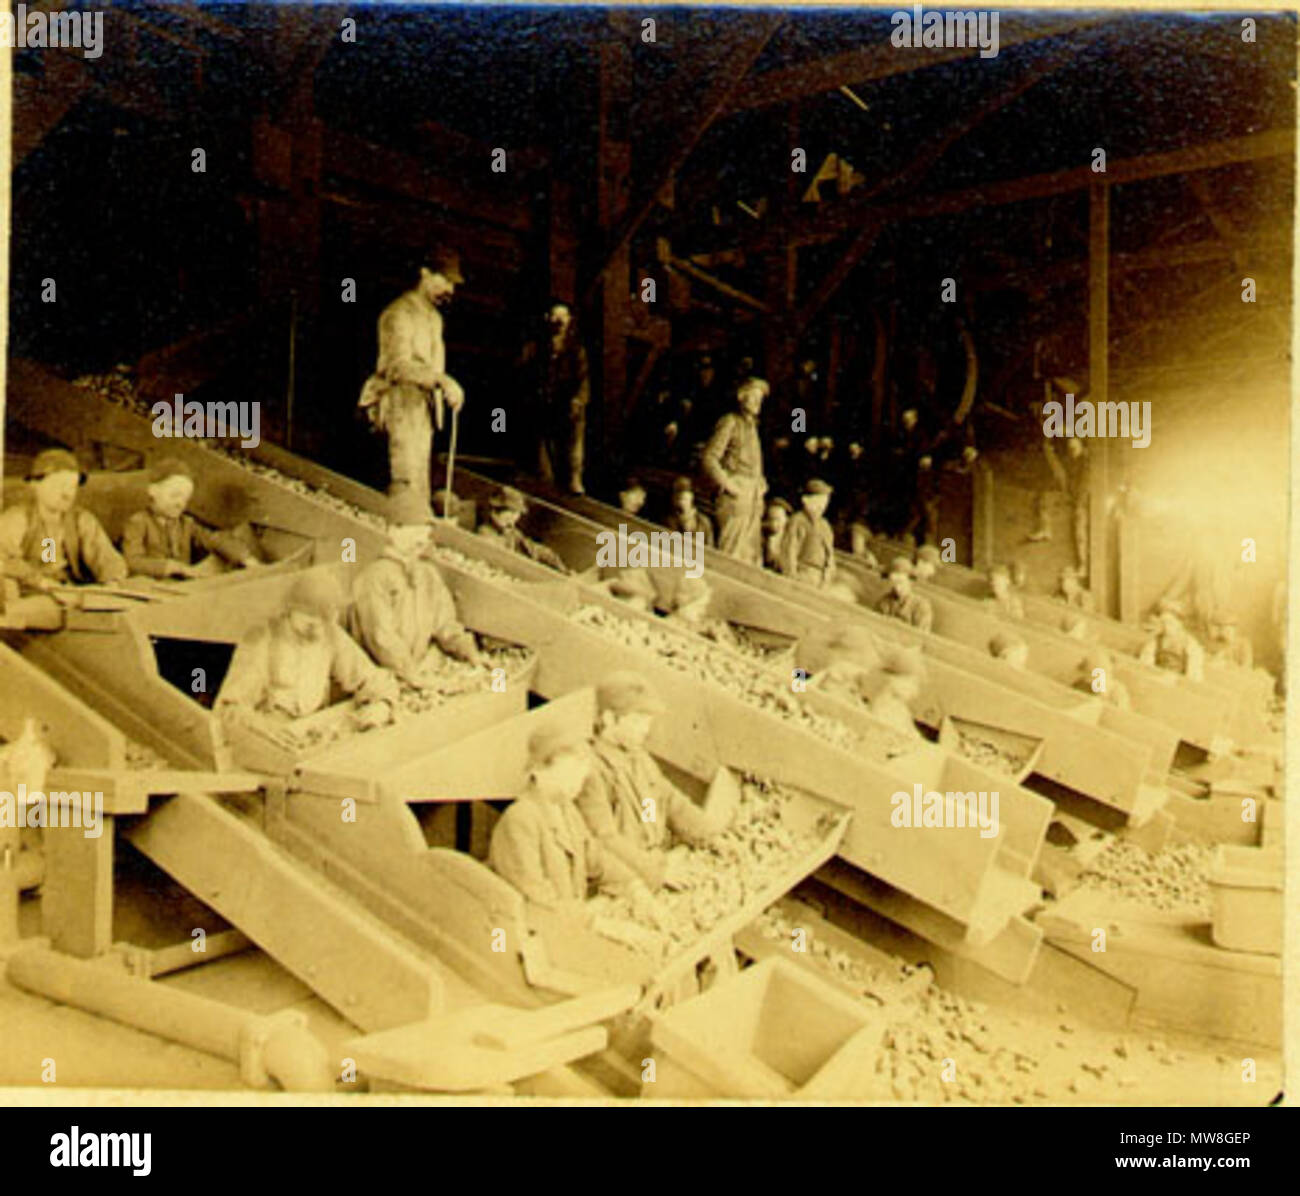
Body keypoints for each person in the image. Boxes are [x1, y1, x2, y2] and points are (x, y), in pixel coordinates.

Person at [576, 671, 738, 890]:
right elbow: (606, 839)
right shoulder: (591, 771)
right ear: (608, 719)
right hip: (624, 879)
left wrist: (711, 835)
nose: (646, 729)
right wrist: (655, 871)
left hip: (655, 860)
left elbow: (671, 801)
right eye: (637, 721)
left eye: (648, 721)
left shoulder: (639, 758)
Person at [489, 724, 662, 920]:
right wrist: (596, 922)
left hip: (570, 924)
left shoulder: (566, 809)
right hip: (541, 933)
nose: (580, 780)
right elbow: (538, 903)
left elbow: (597, 860)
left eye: (582, 772)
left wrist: (635, 888)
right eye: (571, 771)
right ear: (538, 770)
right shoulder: (520, 820)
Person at [357, 250, 467, 513]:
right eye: (444, 281)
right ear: (424, 274)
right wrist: (442, 380)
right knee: (405, 475)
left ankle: (416, 533)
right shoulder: (399, 314)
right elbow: (396, 366)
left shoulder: (434, 318)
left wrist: (443, 387)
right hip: (400, 400)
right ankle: (403, 532)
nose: (449, 289)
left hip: (422, 406)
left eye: (452, 284)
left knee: (419, 477)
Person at [216, 571, 398, 728]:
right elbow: (232, 706)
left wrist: (383, 705)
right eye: (307, 616)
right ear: (289, 610)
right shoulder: (264, 639)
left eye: (322, 619)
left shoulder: (330, 634)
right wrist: (264, 727)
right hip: (271, 732)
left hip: (313, 727)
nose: (315, 625)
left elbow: (373, 678)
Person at [348, 494, 483, 689]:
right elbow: (381, 638)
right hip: (384, 678)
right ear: (393, 531)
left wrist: (468, 650)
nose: (421, 540)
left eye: (425, 534)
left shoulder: (427, 574)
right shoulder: (374, 577)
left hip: (420, 670)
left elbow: (445, 623)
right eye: (416, 532)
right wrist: (413, 675)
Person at [0, 448, 127, 597]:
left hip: (69, 594)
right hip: (30, 595)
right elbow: (3, 558)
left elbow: (107, 557)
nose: (67, 494)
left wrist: (112, 581)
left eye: (72, 486)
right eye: (59, 485)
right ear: (35, 485)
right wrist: (39, 581)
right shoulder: (18, 518)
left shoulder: (81, 519)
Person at [121, 457, 261, 579]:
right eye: (174, 495)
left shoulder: (186, 523)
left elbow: (214, 539)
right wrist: (174, 568)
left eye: (185, 499)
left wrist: (244, 557)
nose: (179, 504)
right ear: (153, 491)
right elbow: (133, 561)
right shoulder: (138, 522)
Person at [521, 300, 589, 495]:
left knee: (576, 425)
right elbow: (524, 373)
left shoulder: (576, 350)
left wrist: (578, 400)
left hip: (566, 405)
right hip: (544, 403)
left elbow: (584, 380)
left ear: (569, 320)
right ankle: (545, 477)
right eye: (555, 316)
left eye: (563, 317)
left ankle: (575, 477)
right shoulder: (536, 346)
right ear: (547, 318)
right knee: (538, 433)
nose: (559, 321)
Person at [701, 376, 768, 564]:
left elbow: (753, 461)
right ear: (741, 396)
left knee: (750, 555)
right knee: (730, 553)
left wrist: (761, 481)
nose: (757, 404)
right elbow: (709, 458)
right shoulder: (730, 422)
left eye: (760, 400)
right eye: (754, 398)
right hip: (736, 498)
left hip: (753, 498)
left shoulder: (753, 427)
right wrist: (728, 484)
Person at [477, 486, 569, 573]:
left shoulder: (511, 531)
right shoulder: (486, 534)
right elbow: (502, 563)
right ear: (495, 511)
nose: (515, 518)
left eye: (517, 513)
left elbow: (531, 547)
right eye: (512, 512)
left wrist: (554, 561)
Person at [779, 478, 836, 588]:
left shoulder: (825, 526)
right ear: (805, 500)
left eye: (824, 502)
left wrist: (827, 578)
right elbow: (790, 551)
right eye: (818, 501)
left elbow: (830, 557)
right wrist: (792, 579)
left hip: (821, 579)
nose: (822, 506)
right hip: (802, 574)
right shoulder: (797, 521)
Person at [1138, 598, 1205, 681]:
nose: (1166, 627)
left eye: (1170, 622)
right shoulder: (1155, 642)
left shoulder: (1191, 645)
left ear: (1180, 624)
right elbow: (1145, 665)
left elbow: (1194, 676)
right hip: (1157, 681)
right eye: (1163, 622)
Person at [876, 556, 934, 633]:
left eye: (901, 582)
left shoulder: (921, 606)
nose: (897, 587)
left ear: (910, 581)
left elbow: (921, 637)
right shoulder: (883, 602)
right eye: (893, 582)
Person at [663, 477, 714, 548]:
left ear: (692, 496)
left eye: (686, 491)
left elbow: (710, 551)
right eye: (677, 491)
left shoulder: (704, 522)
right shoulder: (668, 521)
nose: (681, 494)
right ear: (672, 499)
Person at [762, 499, 792, 571]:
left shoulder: (790, 540)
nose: (774, 523)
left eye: (778, 519)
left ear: (786, 519)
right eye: (771, 518)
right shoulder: (762, 538)